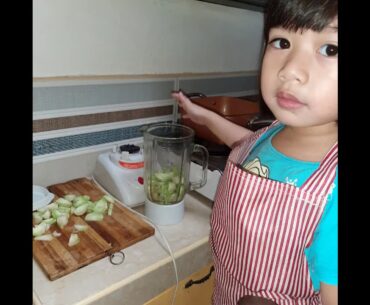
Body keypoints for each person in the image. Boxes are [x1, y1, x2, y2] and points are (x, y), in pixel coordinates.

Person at [172, 0, 338, 304]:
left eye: (330, 49)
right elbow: (246, 143)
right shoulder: (277, 131)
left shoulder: (334, 190)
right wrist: (205, 117)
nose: (290, 71)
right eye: (282, 42)